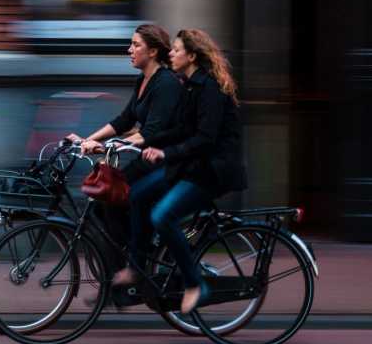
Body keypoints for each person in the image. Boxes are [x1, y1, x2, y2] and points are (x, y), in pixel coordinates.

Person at [113, 28, 247, 315]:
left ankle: (195, 284)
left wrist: (165, 153)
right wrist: (148, 142)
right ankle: (137, 267)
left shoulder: (210, 88)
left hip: (212, 172)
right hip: (190, 166)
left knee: (163, 216)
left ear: (192, 55)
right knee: (137, 194)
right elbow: (180, 129)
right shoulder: (189, 85)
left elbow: (204, 139)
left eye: (175, 50)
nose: (170, 54)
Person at [65, 24, 183, 265]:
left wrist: (111, 146)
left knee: (124, 198)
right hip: (147, 161)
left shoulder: (167, 83)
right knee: (104, 203)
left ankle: (140, 260)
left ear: (152, 52)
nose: (129, 49)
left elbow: (151, 132)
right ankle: (126, 267)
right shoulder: (143, 80)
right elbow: (125, 119)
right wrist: (89, 139)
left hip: (166, 162)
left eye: (136, 45)